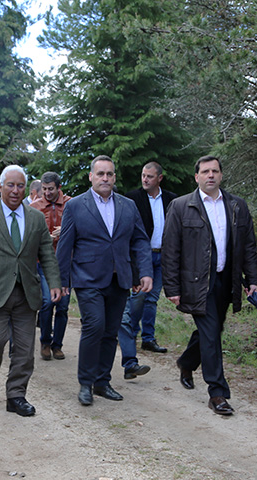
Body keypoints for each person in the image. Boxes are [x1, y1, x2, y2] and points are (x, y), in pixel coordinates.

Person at [162, 156, 257, 416]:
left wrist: (253, 280)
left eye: (215, 171)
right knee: (210, 332)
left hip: (226, 280)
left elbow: (248, 246)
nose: (210, 175)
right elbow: (170, 250)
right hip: (196, 283)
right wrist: (171, 287)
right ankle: (217, 393)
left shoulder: (237, 206)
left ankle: (186, 361)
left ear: (221, 174)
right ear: (196, 177)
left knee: (213, 330)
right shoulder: (181, 206)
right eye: (205, 171)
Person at [56, 155, 153, 406]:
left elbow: (140, 240)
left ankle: (102, 381)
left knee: (111, 331)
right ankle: (85, 383)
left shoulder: (127, 206)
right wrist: (61, 278)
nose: (105, 178)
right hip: (88, 278)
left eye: (109, 174)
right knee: (95, 326)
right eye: (100, 174)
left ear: (114, 177)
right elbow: (65, 245)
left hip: (119, 278)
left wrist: (144, 271)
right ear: (91, 176)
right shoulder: (76, 206)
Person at [0, 165, 61, 417]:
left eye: (21, 185)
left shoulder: (35, 217)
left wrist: (54, 282)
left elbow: (47, 254)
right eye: (10, 185)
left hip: (26, 294)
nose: (16, 190)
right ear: (0, 187)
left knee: (24, 350)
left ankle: (16, 395)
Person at [118, 161, 177, 375]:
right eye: (143, 175)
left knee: (153, 298)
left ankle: (148, 338)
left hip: (163, 254)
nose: (145, 179)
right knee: (139, 297)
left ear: (159, 178)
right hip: (141, 256)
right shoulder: (132, 198)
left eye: (150, 176)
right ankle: (131, 334)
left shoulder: (171, 199)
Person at [30, 171, 71, 361]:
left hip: (65, 262)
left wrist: (67, 230)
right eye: (44, 189)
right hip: (43, 262)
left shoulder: (71, 204)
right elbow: (28, 237)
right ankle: (45, 341)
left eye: (50, 189)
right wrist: (48, 236)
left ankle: (58, 345)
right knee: (47, 302)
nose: (46, 193)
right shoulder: (34, 207)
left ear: (59, 188)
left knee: (62, 306)